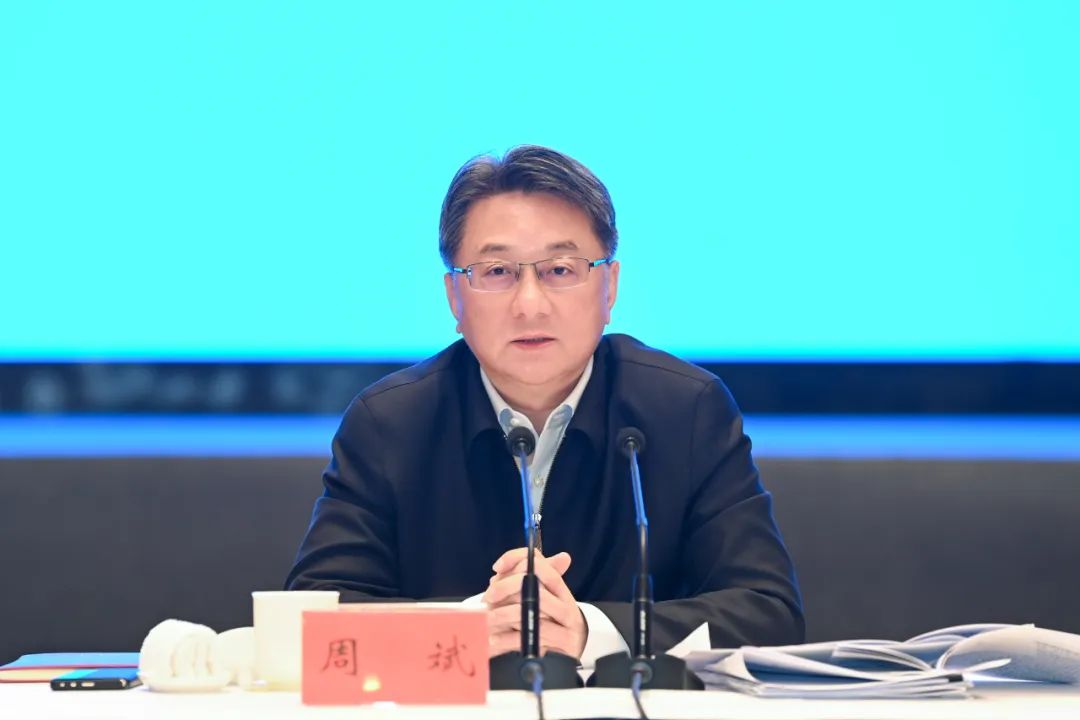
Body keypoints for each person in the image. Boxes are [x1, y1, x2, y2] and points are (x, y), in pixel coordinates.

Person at [286, 145, 804, 666]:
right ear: (454, 298)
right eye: (497, 271)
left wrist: (590, 631)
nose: (530, 304)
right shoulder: (390, 424)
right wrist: (467, 630)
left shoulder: (685, 410)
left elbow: (768, 614)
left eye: (559, 269)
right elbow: (310, 622)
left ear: (609, 288)